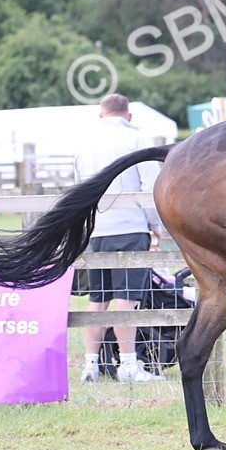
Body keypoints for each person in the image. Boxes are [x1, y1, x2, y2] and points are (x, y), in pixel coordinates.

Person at [75, 93, 163, 383]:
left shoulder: (84, 144)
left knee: (97, 299)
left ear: (101, 115)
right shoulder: (138, 140)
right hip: (130, 227)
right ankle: (128, 365)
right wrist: (156, 225)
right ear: (129, 116)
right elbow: (149, 187)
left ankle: (90, 365)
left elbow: (78, 190)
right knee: (127, 299)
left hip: (96, 229)